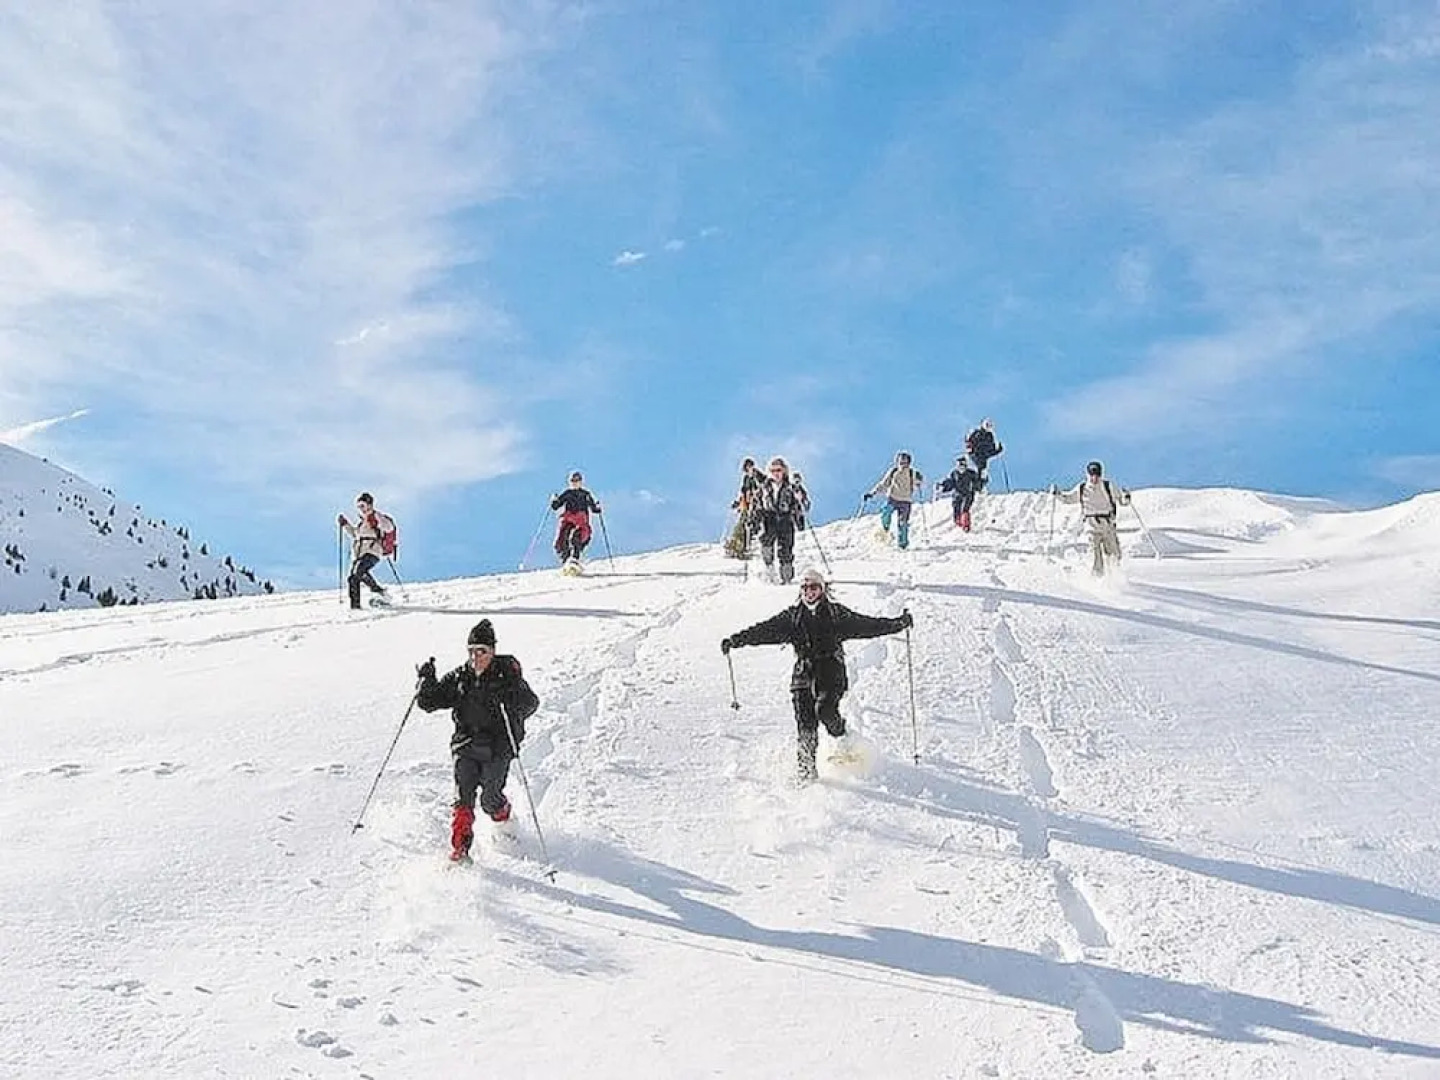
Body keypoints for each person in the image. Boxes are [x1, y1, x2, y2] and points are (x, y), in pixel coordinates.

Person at [721, 569, 912, 783]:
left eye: (813, 587)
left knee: (825, 710)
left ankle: (842, 738)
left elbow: (868, 625)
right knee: (806, 726)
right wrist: (736, 640)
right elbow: (764, 630)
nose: (809, 592)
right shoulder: (792, 617)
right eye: (804, 587)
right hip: (803, 676)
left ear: (822, 589)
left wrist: (898, 623)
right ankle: (806, 774)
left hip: (831, 671)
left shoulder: (836, 614)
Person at [416, 619, 540, 863]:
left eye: (481, 651)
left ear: (492, 651)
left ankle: (505, 821)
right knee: (463, 798)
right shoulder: (460, 677)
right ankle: (460, 850)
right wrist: (426, 682)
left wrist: (511, 696)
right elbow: (429, 702)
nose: (475, 657)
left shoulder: (506, 675)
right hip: (466, 744)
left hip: (498, 747)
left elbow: (531, 703)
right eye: (471, 651)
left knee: (490, 799)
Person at [1052, 461, 1131, 576]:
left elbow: (1122, 501)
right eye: (1092, 474)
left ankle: (1115, 577)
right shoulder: (1082, 488)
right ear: (1088, 474)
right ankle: (1097, 580)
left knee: (1114, 555)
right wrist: (1057, 494)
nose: (1095, 478)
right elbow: (1068, 498)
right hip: (1091, 527)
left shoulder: (1108, 486)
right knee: (1095, 556)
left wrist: (1127, 497)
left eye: (1097, 474)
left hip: (1108, 525)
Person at [337, 492, 397, 610]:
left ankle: (356, 607)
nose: (361, 509)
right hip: (360, 553)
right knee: (356, 576)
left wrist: (376, 519)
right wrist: (345, 524)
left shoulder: (376, 517)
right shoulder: (362, 523)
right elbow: (355, 534)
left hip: (372, 551)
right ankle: (380, 592)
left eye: (363, 505)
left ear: (370, 505)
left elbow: (389, 527)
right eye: (359, 506)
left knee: (355, 575)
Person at [755, 457, 803, 584]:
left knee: (786, 549)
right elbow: (757, 503)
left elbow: (804, 504)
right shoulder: (765, 486)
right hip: (769, 517)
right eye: (773, 470)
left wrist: (800, 499)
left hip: (785, 519)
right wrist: (755, 518)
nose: (776, 473)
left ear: (784, 471)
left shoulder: (790, 487)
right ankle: (769, 568)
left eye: (779, 470)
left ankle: (786, 579)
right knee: (766, 541)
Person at [865, 451, 924, 550]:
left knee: (903, 523)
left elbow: (920, 482)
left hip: (906, 501)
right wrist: (872, 493)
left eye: (904, 463)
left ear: (909, 463)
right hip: (892, 498)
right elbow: (884, 484)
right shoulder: (893, 472)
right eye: (900, 462)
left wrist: (920, 479)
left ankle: (902, 545)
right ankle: (885, 529)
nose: (902, 465)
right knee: (886, 512)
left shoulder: (912, 473)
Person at [551, 471, 602, 566]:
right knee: (564, 535)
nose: (575, 483)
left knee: (576, 536)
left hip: (581, 522)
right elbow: (557, 505)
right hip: (568, 520)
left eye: (577, 480)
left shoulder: (585, 494)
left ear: (581, 482)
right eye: (573, 481)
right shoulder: (567, 493)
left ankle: (575, 558)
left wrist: (597, 508)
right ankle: (566, 559)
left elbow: (593, 508)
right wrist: (554, 501)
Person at [725, 458, 765, 559]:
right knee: (741, 523)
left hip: (757, 505)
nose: (749, 469)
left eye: (750, 466)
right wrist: (738, 503)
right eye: (747, 468)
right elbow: (743, 492)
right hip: (746, 505)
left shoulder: (758, 475)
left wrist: (758, 493)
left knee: (751, 524)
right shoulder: (746, 478)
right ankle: (736, 544)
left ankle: (747, 546)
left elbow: (764, 484)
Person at [937, 456, 983, 532]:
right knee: (956, 508)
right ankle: (958, 521)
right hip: (957, 494)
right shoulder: (954, 473)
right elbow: (950, 482)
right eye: (959, 464)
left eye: (963, 464)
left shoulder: (970, 473)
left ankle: (966, 525)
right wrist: (942, 485)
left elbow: (977, 482)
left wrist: (980, 485)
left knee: (965, 508)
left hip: (968, 493)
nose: (961, 466)